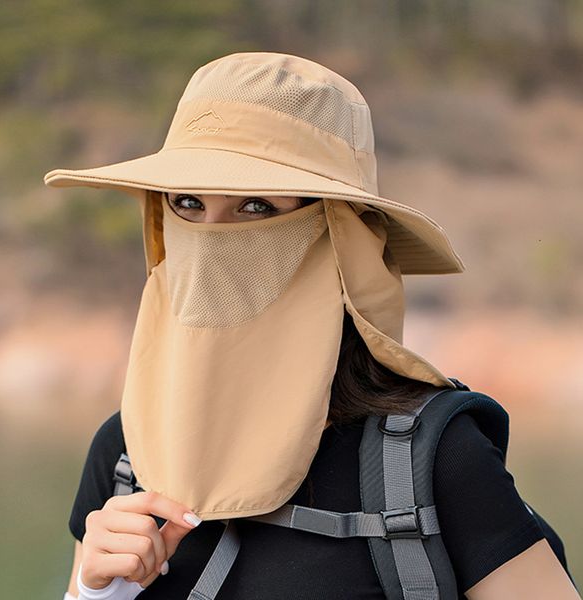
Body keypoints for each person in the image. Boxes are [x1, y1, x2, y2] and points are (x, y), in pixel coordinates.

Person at [44, 52, 580, 599]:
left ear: (337, 237)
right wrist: (96, 593)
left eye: (255, 206)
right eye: (187, 202)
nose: (210, 240)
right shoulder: (127, 453)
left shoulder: (433, 459)